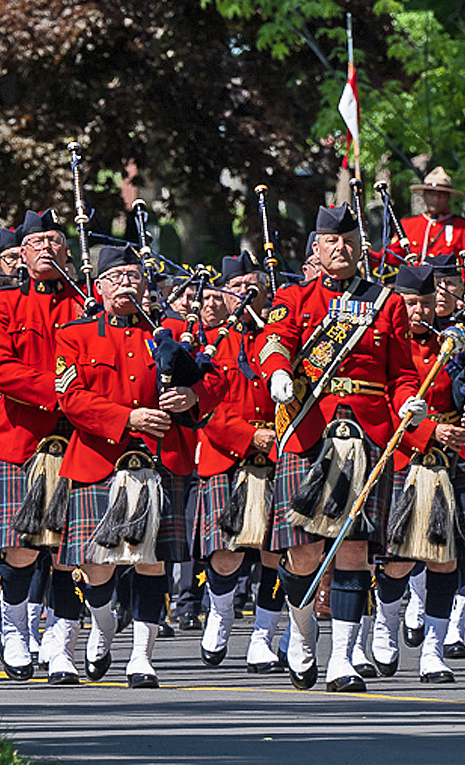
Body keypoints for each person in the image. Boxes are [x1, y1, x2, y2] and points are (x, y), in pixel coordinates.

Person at [261, 204, 423, 692]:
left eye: (349, 240)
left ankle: (342, 659)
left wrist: (410, 401)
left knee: (354, 549)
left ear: (361, 247)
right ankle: (303, 631)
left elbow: (402, 372)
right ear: (316, 246)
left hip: (369, 433)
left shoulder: (386, 302)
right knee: (304, 552)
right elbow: (273, 341)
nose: (341, 248)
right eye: (332, 241)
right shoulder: (294, 298)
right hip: (310, 428)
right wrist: (280, 374)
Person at [54, 245, 224, 688]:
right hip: (98, 459)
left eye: (133, 275)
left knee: (152, 561)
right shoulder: (75, 335)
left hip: (161, 459)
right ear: (99, 288)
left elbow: (214, 378)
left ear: (147, 286)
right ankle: (104, 623)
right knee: (97, 566)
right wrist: (124, 418)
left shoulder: (176, 330)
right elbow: (68, 397)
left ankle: (142, 657)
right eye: (116, 277)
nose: (126, 283)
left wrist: (194, 397)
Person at [370, 264, 465, 683]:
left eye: (426, 304)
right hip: (405, 459)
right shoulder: (383, 347)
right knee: (398, 560)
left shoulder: (454, 345)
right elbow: (385, 406)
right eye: (411, 304)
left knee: (446, 561)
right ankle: (386, 624)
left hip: (451, 459)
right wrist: (428, 431)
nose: (419, 312)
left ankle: (432, 648)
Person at [0, 210, 85, 682]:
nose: (46, 247)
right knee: (22, 547)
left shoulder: (87, 304)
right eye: (36, 241)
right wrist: (63, 390)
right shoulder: (2, 305)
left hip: (80, 440)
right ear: (22, 254)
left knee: (69, 549)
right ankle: (15, 630)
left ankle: (61, 642)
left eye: (55, 240)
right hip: (19, 439)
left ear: (68, 250)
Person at [193, 252, 283, 671]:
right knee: (226, 553)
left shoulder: (280, 340)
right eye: (237, 289)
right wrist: (249, 438)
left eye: (255, 287)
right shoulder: (210, 345)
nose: (247, 296)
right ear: (225, 297)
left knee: (276, 551)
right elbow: (204, 409)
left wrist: (274, 438)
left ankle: (264, 632)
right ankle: (222, 610)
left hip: (278, 452)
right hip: (227, 452)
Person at [398, 167, 465, 265]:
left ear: (448, 198)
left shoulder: (463, 227)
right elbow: (389, 258)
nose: (435, 199)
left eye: (441, 195)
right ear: (424, 195)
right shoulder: (409, 225)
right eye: (431, 194)